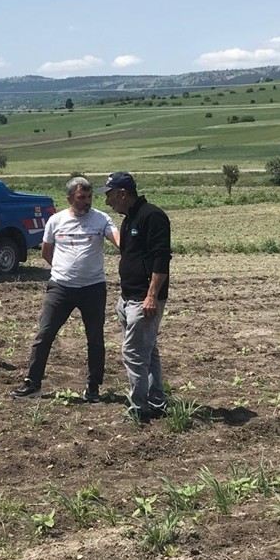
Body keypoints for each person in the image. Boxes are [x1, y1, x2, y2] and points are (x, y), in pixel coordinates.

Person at [12, 176, 119, 402]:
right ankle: (32, 384)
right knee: (44, 335)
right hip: (61, 288)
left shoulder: (101, 219)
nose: (87, 202)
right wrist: (64, 270)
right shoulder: (56, 221)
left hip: (93, 288)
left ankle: (93, 386)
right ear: (70, 198)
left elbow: (118, 240)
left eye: (89, 197)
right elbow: (46, 252)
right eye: (82, 198)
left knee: (95, 338)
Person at [99, 171, 172, 421]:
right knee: (147, 351)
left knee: (133, 352)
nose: (107, 201)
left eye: (109, 195)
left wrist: (151, 296)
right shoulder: (129, 218)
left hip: (144, 298)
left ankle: (138, 408)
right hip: (128, 297)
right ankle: (157, 401)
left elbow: (161, 259)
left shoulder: (152, 216)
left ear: (122, 193)